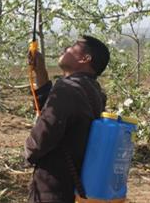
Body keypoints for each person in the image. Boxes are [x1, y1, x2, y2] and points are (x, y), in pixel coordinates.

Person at [25, 35, 110, 203]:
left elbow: (43, 134)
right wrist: (40, 71)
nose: (66, 49)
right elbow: (52, 107)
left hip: (53, 187)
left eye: (73, 46)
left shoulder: (67, 89)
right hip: (73, 183)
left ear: (85, 58)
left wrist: (28, 152)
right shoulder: (92, 90)